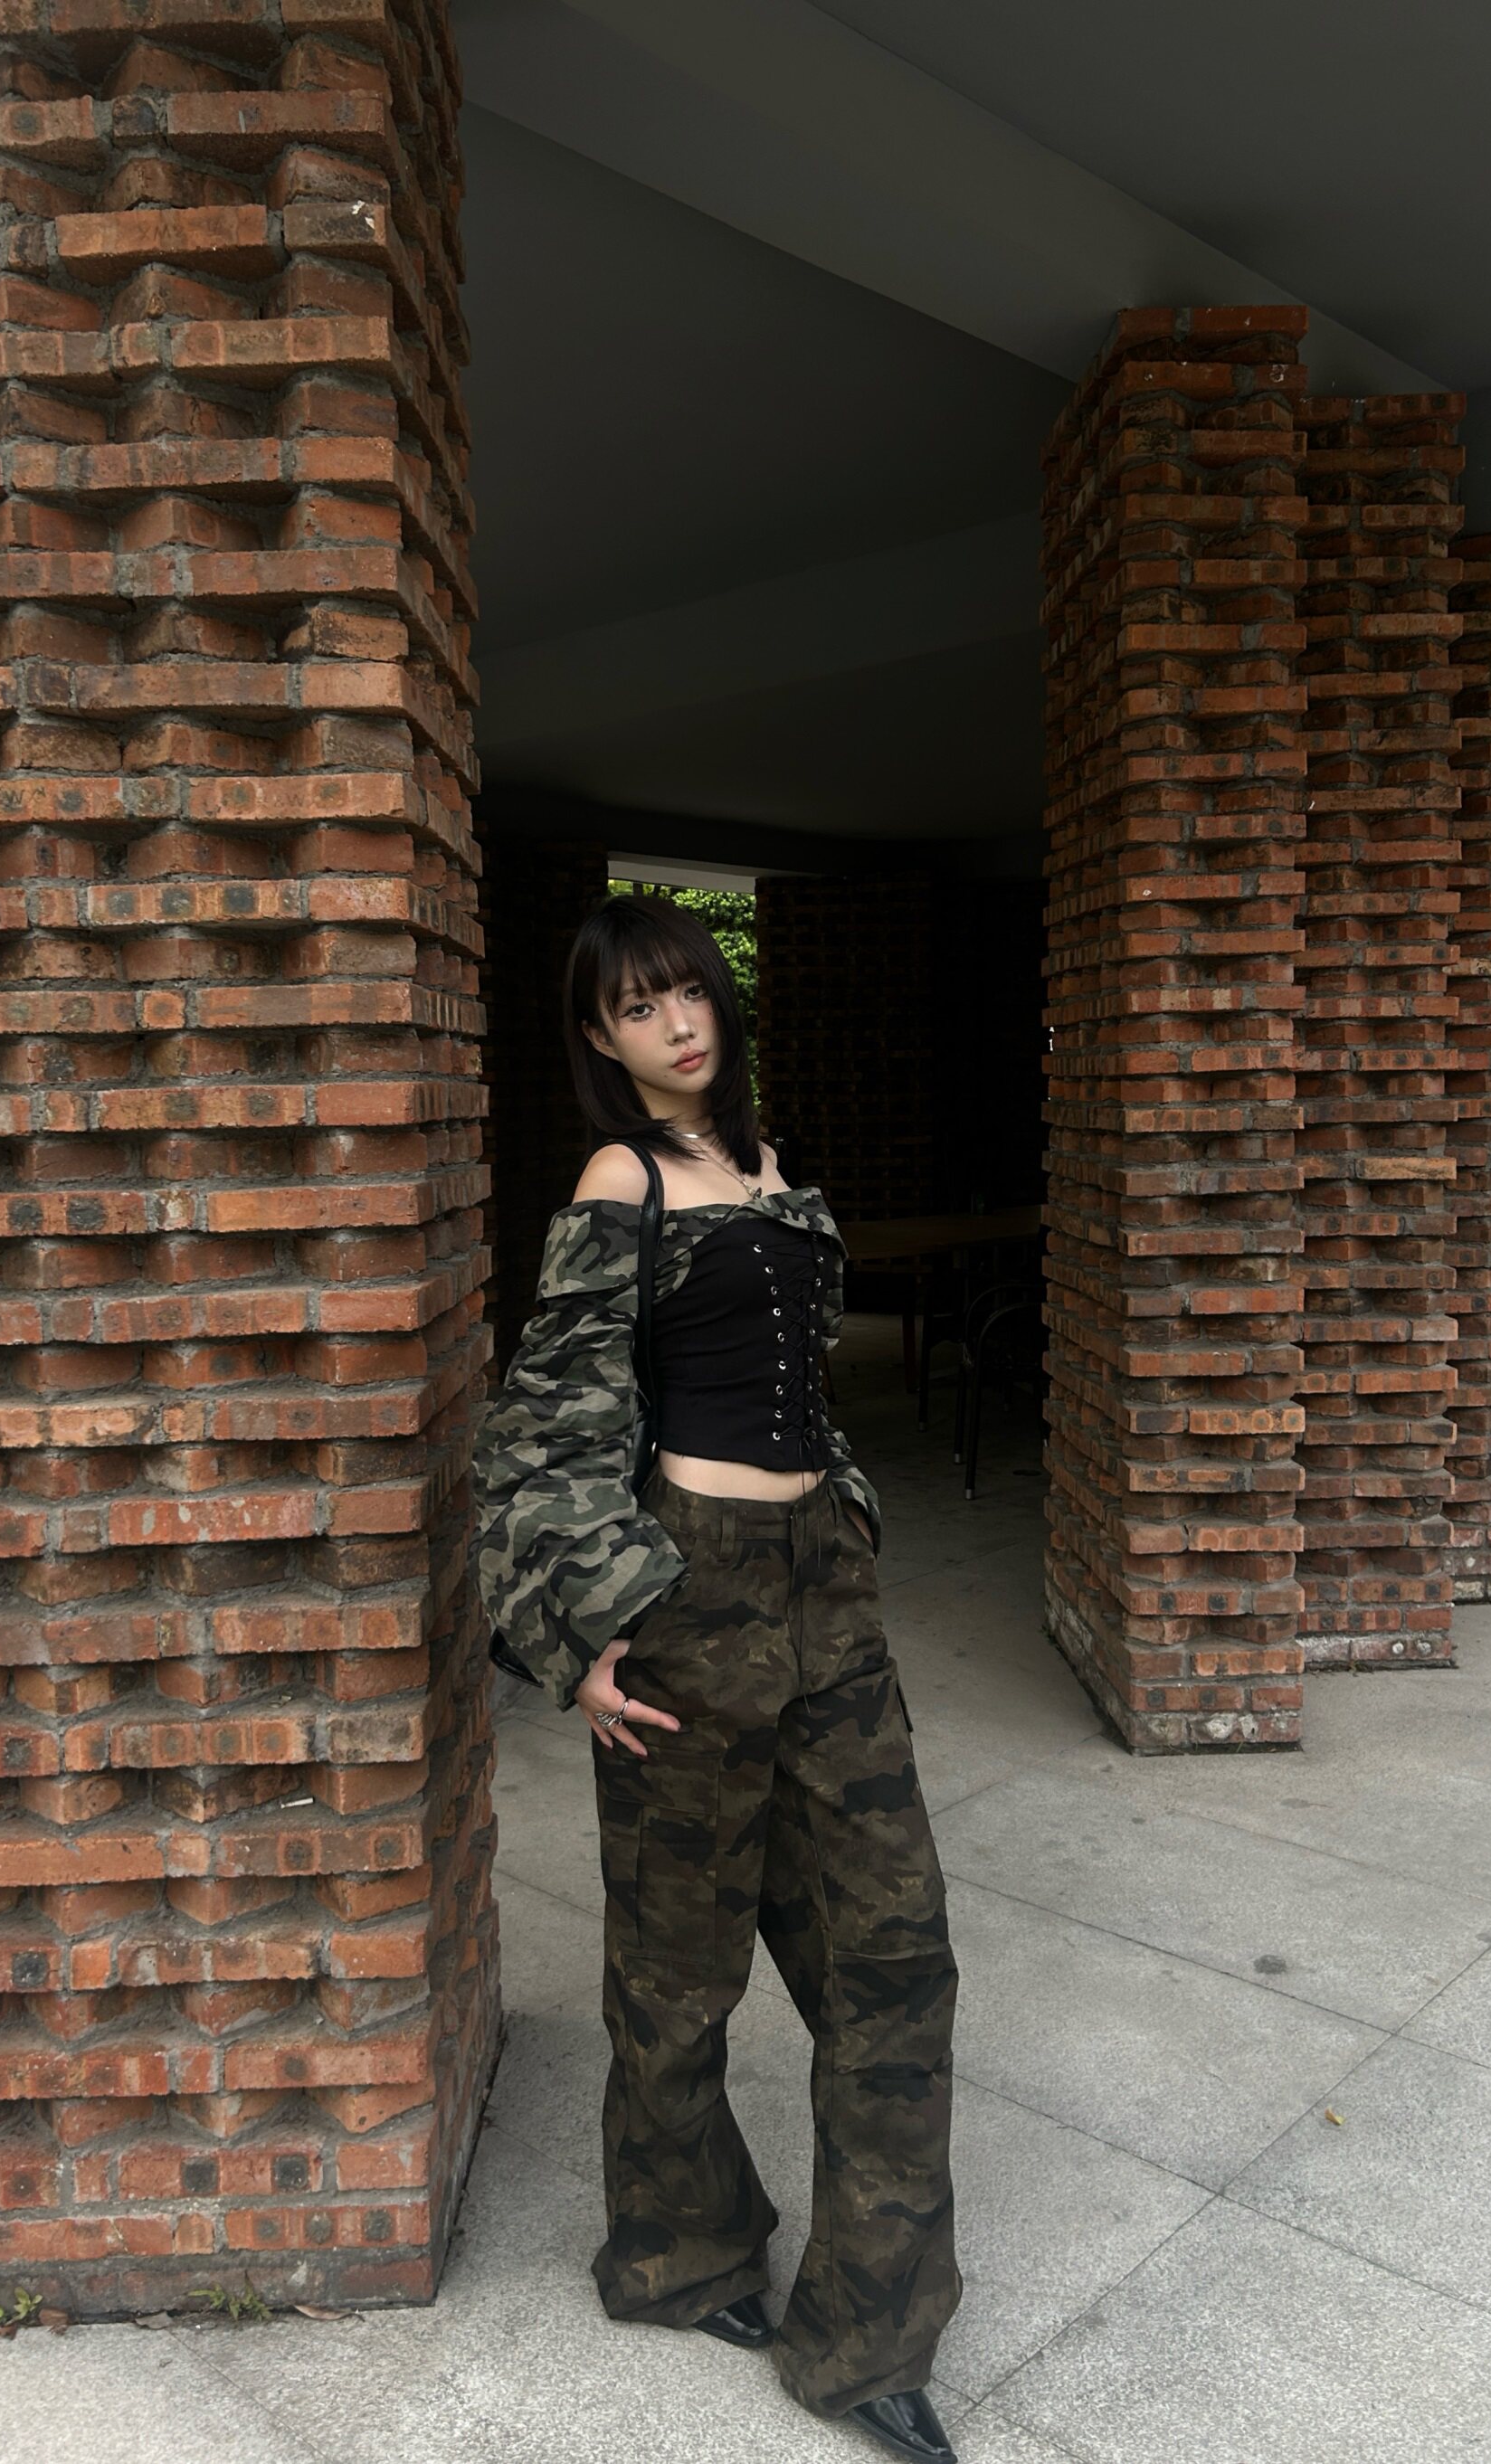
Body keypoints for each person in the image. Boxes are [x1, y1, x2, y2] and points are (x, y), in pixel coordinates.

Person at [475, 894, 963, 2464]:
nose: (677, 1023)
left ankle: (871, 2336)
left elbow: (801, 1383)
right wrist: (583, 1637)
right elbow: (547, 1419)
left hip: (830, 1594)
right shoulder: (620, 1179)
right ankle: (679, 2256)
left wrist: (847, 1515)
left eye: (688, 991)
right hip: (693, 1593)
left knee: (896, 1958)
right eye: (639, 1006)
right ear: (601, 1036)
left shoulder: (768, 1164)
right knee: (678, 1972)